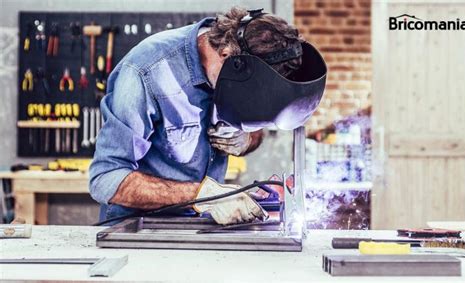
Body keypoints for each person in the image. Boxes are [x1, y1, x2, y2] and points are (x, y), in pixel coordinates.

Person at [89, 7, 306, 225]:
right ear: (226, 55)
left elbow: (257, 133)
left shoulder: (239, 73)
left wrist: (247, 139)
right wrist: (201, 195)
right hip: (138, 233)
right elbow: (106, 179)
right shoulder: (146, 71)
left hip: (201, 228)